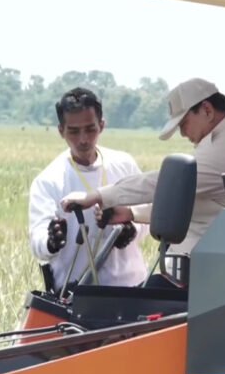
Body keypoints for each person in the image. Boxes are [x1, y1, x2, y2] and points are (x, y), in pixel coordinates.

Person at [60, 78, 225, 287]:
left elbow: (168, 184)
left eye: (184, 123)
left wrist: (97, 195)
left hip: (210, 278)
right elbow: (194, 201)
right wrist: (132, 214)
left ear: (206, 110)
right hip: (210, 268)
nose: (183, 133)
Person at [29, 87, 148, 293]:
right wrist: (51, 241)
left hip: (131, 288)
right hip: (76, 294)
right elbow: (37, 240)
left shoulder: (125, 165)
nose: (83, 139)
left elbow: (148, 216)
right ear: (61, 131)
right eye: (74, 131)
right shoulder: (48, 180)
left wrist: (131, 229)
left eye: (90, 129)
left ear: (102, 125)